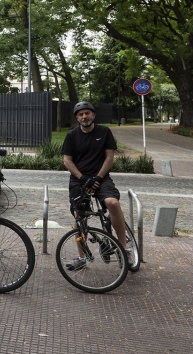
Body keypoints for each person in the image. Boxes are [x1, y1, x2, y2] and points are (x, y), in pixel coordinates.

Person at [61, 101, 129, 270]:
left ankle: (123, 248)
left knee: (113, 203)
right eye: (81, 114)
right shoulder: (72, 135)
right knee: (79, 216)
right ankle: (82, 257)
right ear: (77, 118)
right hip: (79, 179)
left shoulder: (104, 132)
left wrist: (98, 178)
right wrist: (83, 178)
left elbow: (109, 157)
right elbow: (67, 161)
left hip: (101, 177)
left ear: (93, 115)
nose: (84, 116)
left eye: (87, 113)